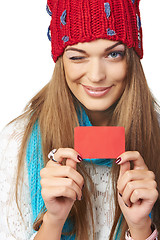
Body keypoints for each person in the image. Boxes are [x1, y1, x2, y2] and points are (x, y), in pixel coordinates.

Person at [0, 0, 160, 239]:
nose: (96, 76)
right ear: (61, 61)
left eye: (114, 54)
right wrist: (53, 220)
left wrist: (140, 228)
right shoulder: (17, 140)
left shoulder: (157, 132)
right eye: (77, 57)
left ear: (132, 60)